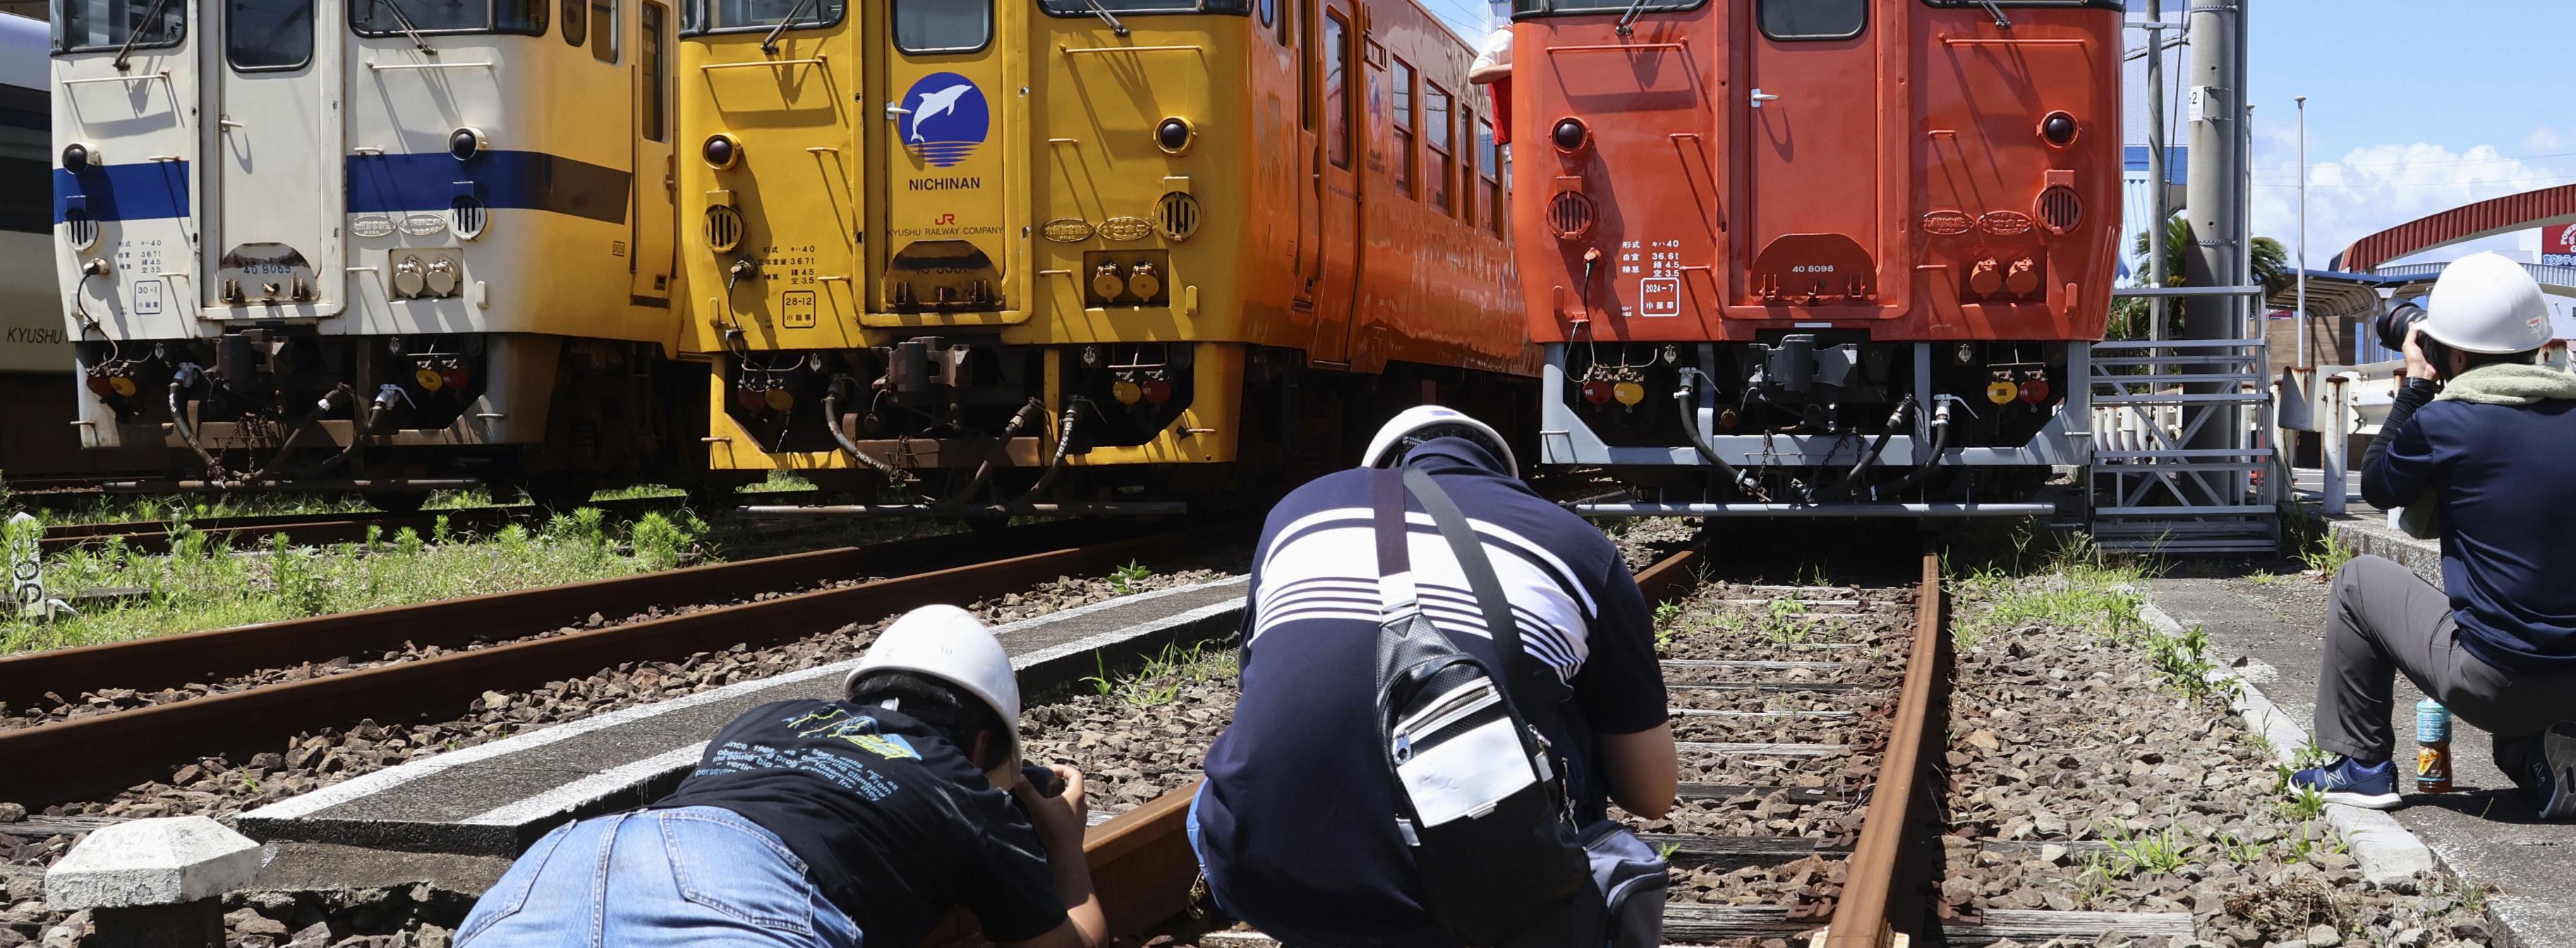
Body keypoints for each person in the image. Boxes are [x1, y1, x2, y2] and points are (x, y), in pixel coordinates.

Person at [1192, 406, 1676, 948]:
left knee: (1219, 790)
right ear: (1499, 474)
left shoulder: (1293, 514)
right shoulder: (1577, 545)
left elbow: (1261, 694)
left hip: (1266, 881)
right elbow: (1652, 794)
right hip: (1472, 906)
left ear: (1375, 469)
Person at [456, 604, 1105, 948]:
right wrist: (1065, 851)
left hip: (564, 860)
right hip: (738, 895)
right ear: (983, 742)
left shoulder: (766, 718)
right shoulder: (963, 791)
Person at [2288, 253, 2576, 820]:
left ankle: (2361, 765)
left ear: (2452, 354)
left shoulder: (2449, 422)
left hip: (2501, 683)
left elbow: (2379, 485)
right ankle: (2542, 756)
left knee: (2357, 581)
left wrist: (2417, 386)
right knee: (2523, 694)